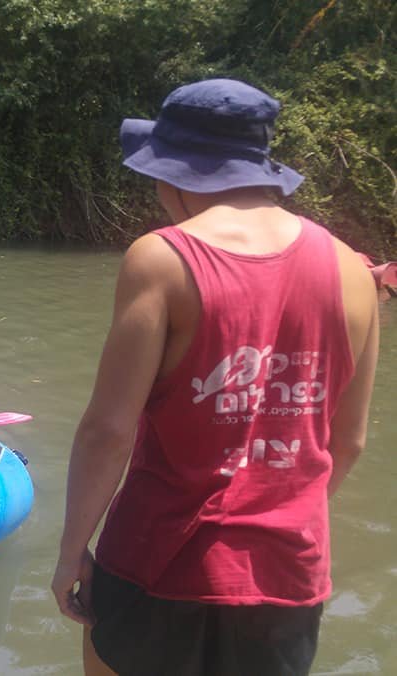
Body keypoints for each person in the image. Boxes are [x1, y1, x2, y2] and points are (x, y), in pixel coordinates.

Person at [50, 79, 379, 675]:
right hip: (287, 575)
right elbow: (349, 441)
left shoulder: (161, 258)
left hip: (156, 560)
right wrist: (281, 515)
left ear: (178, 173)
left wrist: (72, 551)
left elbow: (108, 432)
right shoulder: (352, 269)